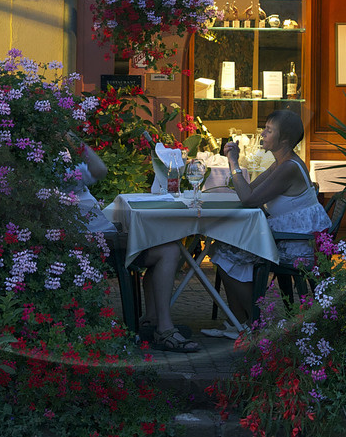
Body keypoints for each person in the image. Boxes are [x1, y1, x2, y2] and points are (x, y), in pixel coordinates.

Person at [70, 138, 198, 354]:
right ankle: (163, 329)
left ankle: (152, 320)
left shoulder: (60, 161)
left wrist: (73, 142)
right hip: (97, 246)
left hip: (105, 238)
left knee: (165, 244)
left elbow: (100, 170)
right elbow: (100, 169)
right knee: (168, 249)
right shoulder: (48, 166)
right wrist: (70, 138)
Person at [210, 109, 331, 337]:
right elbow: (252, 190)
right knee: (225, 248)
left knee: (222, 252)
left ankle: (255, 321)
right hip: (285, 238)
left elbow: (247, 199)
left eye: (269, 130)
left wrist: (233, 161)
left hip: (296, 246)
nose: (263, 134)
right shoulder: (281, 163)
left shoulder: (289, 167)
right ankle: (242, 322)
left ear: (284, 139)